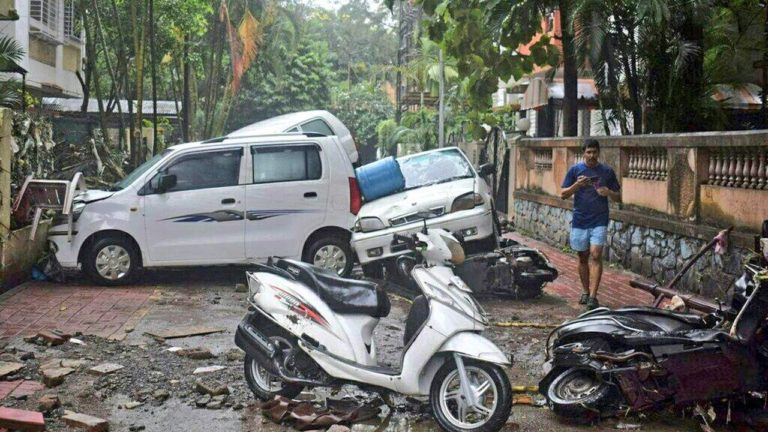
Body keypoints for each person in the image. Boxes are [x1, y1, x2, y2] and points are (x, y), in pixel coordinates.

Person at [560, 139, 621, 310]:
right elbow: (563, 194)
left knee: (596, 254)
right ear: (583, 153)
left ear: (599, 152)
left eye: (594, 152)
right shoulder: (575, 170)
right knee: (582, 256)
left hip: (599, 219)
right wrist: (577, 185)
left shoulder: (607, 172)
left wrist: (608, 192)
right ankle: (585, 292)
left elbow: (619, 196)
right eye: (589, 152)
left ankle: (593, 296)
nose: (592, 155)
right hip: (580, 219)